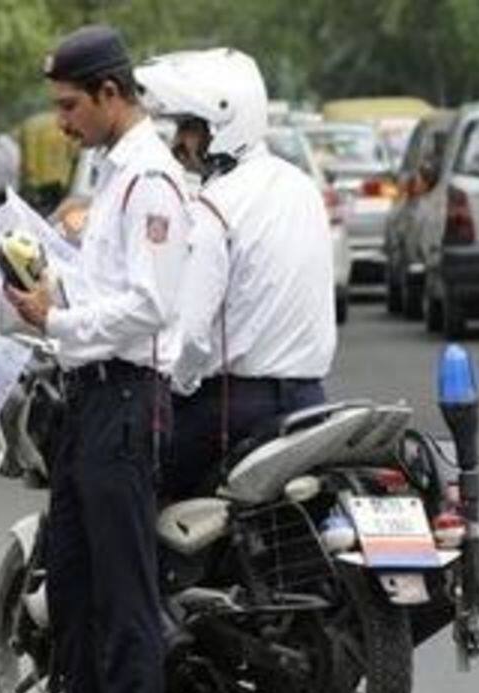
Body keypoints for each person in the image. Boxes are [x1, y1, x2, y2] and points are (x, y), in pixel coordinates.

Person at [2, 25, 189, 693]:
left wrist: (58, 320)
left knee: (122, 593)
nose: (63, 122)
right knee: (72, 584)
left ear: (112, 94)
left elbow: (151, 305)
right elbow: (106, 282)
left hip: (123, 397)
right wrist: (45, 283)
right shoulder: (113, 174)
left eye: (71, 105)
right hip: (86, 396)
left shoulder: (151, 179)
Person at [135, 48, 338, 500]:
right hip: (311, 402)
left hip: (234, 410)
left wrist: (175, 383)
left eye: (189, 127)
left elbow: (191, 335)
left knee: (128, 480)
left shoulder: (217, 206)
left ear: (220, 127)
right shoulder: (301, 187)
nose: (179, 143)